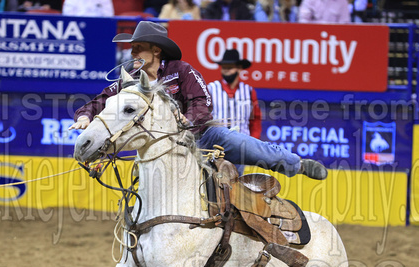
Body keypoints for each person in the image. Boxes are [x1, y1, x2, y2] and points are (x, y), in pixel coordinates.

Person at [70, 21, 327, 180]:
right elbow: (103, 99)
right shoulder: (131, 80)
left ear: (156, 50)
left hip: (204, 137)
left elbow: (202, 103)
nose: (132, 52)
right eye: (132, 48)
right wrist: (84, 116)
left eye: (138, 48)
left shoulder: (181, 70)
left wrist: (188, 118)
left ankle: (297, 165)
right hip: (161, 143)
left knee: (254, 148)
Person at [208, 49, 262, 174]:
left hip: (240, 147)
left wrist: (253, 143)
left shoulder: (248, 91)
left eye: (230, 67)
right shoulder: (211, 88)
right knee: (212, 183)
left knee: (236, 184)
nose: (225, 70)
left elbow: (255, 119)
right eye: (223, 67)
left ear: (239, 68)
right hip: (216, 147)